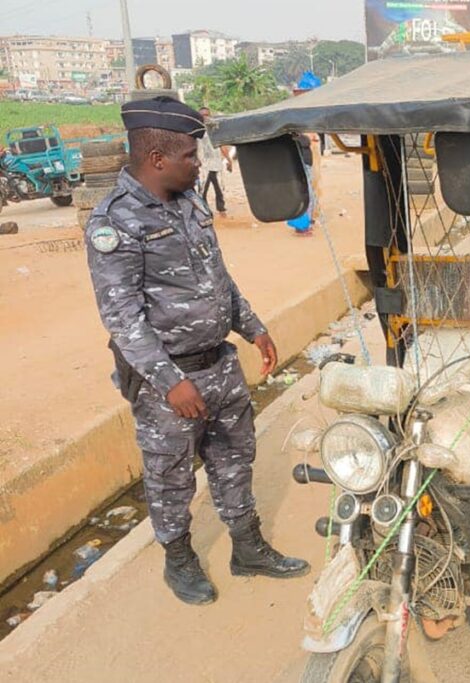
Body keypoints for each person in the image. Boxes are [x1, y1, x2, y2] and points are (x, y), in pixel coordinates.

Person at [84, 97, 309, 606]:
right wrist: (170, 382)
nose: (198, 163)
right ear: (158, 158)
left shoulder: (189, 203)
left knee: (235, 460)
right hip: (171, 385)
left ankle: (248, 548)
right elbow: (122, 319)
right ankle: (179, 560)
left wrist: (252, 327)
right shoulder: (114, 223)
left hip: (220, 365)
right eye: (190, 155)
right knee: (170, 477)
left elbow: (217, 278)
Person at [197, 106, 232, 217]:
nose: (205, 117)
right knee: (203, 189)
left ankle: (221, 209)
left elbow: (222, 146)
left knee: (219, 188)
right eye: (202, 115)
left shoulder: (215, 130)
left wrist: (229, 161)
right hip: (203, 165)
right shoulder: (196, 130)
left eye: (207, 115)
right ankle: (204, 211)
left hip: (216, 163)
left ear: (210, 115)